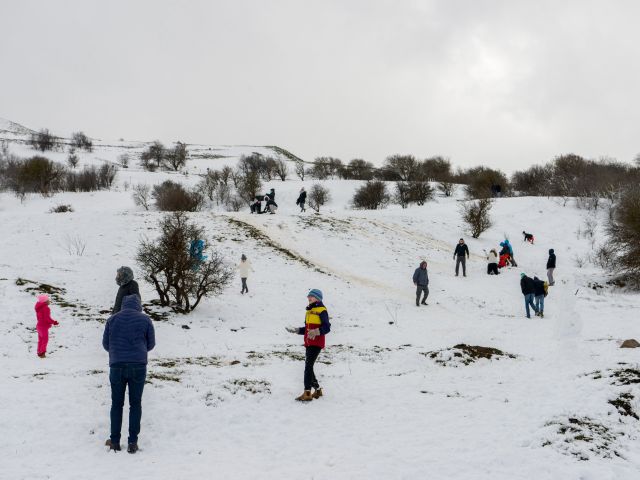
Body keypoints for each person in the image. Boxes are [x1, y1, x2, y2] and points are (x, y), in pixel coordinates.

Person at [103, 294, 155, 454]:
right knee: (135, 404)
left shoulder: (112, 319)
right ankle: (133, 442)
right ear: (138, 305)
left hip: (117, 366)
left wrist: (118, 353)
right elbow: (151, 344)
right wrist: (137, 352)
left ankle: (115, 441)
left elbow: (106, 344)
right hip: (138, 366)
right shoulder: (145, 320)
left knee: (116, 404)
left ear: (123, 305)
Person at [286, 289, 330, 402]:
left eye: (312, 296)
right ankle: (318, 390)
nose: (309, 298)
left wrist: (316, 331)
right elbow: (307, 329)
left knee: (308, 367)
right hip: (308, 342)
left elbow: (327, 327)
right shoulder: (309, 312)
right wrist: (296, 330)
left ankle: (307, 393)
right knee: (309, 367)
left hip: (317, 343)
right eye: (308, 296)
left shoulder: (322, 310)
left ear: (318, 298)